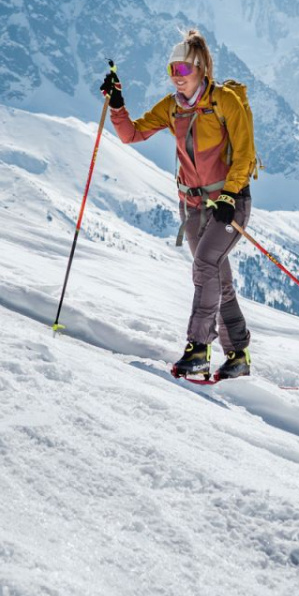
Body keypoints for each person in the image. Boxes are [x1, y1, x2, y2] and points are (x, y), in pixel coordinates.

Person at [100, 29, 257, 380]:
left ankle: (198, 348)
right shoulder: (172, 107)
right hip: (193, 206)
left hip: (229, 203)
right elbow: (131, 134)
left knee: (205, 265)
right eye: (172, 70)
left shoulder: (225, 101)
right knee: (217, 276)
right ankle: (238, 355)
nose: (177, 77)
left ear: (201, 69)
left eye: (183, 69)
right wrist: (117, 106)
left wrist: (230, 194)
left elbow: (245, 154)